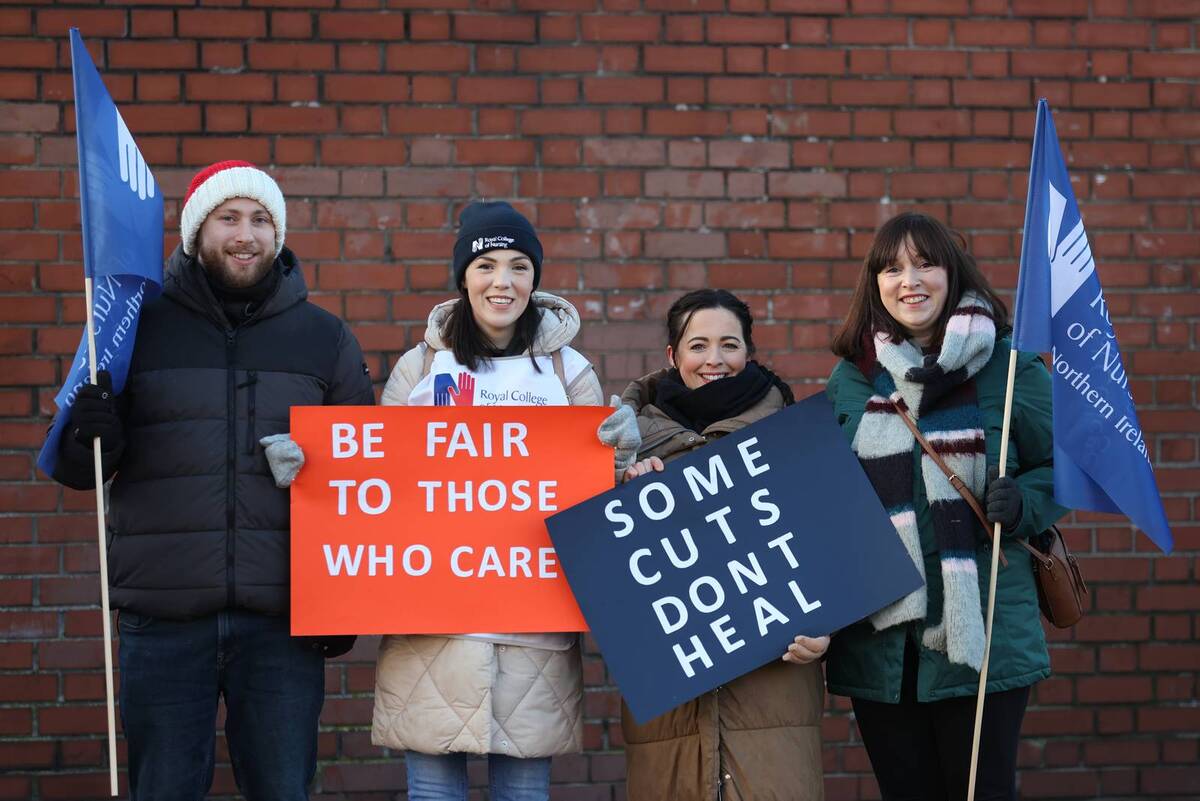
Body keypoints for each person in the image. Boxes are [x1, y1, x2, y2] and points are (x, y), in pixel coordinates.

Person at [44, 160, 375, 800]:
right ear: (197, 231)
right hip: (163, 619)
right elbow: (72, 469)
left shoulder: (324, 338)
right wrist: (91, 431)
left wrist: (344, 599)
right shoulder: (133, 326)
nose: (244, 234)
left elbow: (359, 479)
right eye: (228, 218)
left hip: (282, 622)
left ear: (277, 235)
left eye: (259, 220)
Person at [367, 201, 632, 801]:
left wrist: (618, 458)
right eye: (485, 265)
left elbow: (601, 501)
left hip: (532, 632)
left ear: (536, 278)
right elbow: (376, 481)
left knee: (523, 794)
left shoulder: (569, 372)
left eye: (518, 266)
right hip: (432, 627)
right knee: (433, 792)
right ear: (463, 276)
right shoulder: (421, 368)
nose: (502, 282)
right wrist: (312, 469)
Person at [823, 212, 1068, 801]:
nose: (909, 279)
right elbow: (823, 500)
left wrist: (1026, 500)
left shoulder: (1009, 368)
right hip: (882, 643)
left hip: (982, 632)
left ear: (951, 274)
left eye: (924, 263)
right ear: (875, 284)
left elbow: (1068, 465)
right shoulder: (852, 379)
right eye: (892, 268)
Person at [617, 289, 828, 801]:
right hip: (671, 711)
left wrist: (826, 632)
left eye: (729, 345)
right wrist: (621, 496)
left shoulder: (796, 440)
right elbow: (613, 585)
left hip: (774, 694)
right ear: (673, 356)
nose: (715, 360)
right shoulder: (618, 449)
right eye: (698, 345)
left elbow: (832, 555)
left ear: (748, 353)